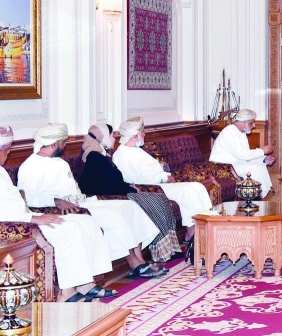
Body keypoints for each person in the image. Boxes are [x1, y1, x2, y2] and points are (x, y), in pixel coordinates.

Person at [17, 123, 167, 279]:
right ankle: (134, 264)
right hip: (62, 210)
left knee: (130, 206)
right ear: (54, 144)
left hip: (81, 202)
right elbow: (27, 198)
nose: (66, 145)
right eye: (64, 142)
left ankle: (140, 260)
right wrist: (56, 201)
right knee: (113, 215)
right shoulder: (30, 166)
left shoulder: (59, 162)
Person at [0, 125, 117, 302]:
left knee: (85, 222)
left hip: (23, 217)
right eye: (7, 150)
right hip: (15, 224)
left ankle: (86, 282)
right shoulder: (29, 166)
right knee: (68, 229)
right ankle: (67, 291)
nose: (8, 154)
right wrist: (35, 218)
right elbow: (7, 210)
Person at [79, 122, 182, 263]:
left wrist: (128, 186)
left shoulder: (101, 156)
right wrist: (131, 189)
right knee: (152, 203)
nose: (115, 139)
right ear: (101, 138)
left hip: (117, 193)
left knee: (160, 199)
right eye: (111, 136)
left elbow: (111, 181)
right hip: (106, 198)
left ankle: (162, 252)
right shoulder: (94, 158)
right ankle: (154, 254)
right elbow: (110, 185)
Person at [113, 117, 213, 243]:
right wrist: (164, 177)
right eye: (142, 132)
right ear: (135, 135)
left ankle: (205, 227)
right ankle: (191, 233)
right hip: (152, 189)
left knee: (197, 187)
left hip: (160, 183)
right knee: (188, 191)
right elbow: (138, 179)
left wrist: (165, 176)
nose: (144, 134)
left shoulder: (135, 150)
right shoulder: (123, 154)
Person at [210, 109, 275, 197]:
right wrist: (262, 151)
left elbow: (245, 155)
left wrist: (263, 160)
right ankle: (257, 198)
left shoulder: (241, 132)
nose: (254, 126)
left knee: (260, 166)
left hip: (235, 164)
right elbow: (241, 155)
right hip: (222, 167)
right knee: (253, 169)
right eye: (252, 123)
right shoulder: (230, 132)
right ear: (243, 123)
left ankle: (262, 196)